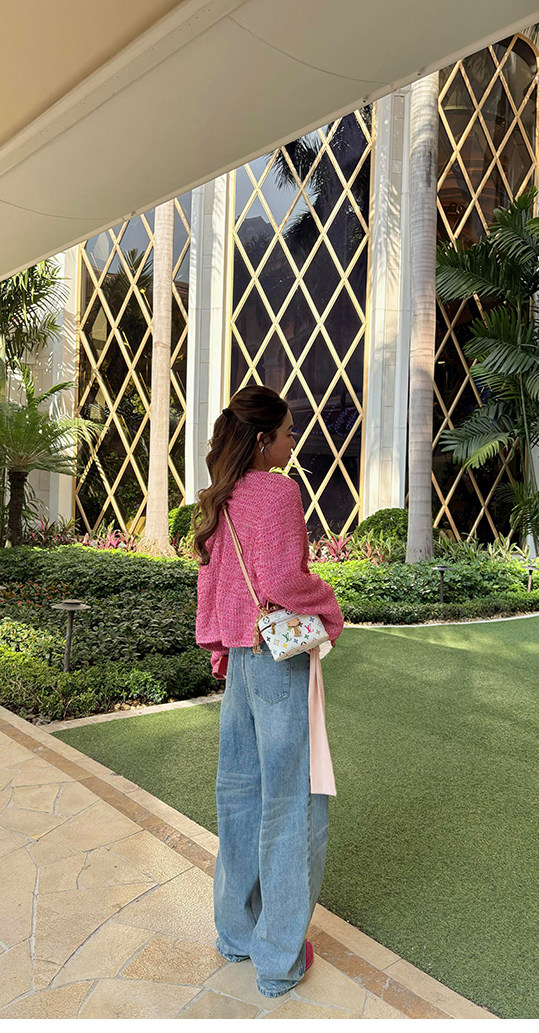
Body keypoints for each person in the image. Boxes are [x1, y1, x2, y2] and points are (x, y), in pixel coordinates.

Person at [194, 384, 344, 998]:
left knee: (239, 795)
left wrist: (221, 648)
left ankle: (236, 932)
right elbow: (283, 578)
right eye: (286, 433)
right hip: (278, 663)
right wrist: (328, 602)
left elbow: (211, 583)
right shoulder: (279, 492)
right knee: (292, 803)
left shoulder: (221, 496)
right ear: (263, 440)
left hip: (238, 660)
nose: (291, 442)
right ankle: (279, 958)